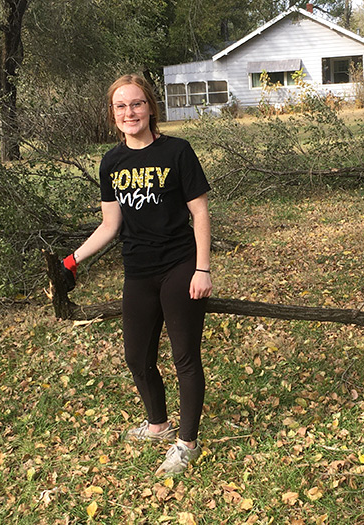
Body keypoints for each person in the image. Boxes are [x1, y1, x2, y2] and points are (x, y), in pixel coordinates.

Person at [61, 73, 212, 475]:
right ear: (113, 115)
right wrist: (71, 262)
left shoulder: (178, 152)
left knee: (185, 358)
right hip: (139, 270)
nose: (130, 112)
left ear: (151, 108)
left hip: (180, 266)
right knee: (136, 356)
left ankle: (186, 442)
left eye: (137, 104)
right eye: (121, 106)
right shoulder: (112, 161)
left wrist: (202, 268)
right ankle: (159, 424)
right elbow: (110, 226)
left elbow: (199, 213)